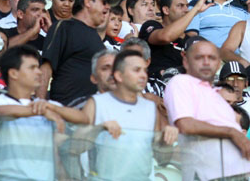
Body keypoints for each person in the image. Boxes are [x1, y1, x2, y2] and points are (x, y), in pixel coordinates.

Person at [164, 38, 250, 180]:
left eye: (211, 58)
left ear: (218, 63)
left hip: (244, 173)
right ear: (186, 62)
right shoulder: (181, 83)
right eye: (199, 57)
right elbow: (185, 124)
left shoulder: (218, 96)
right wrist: (231, 132)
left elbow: (240, 146)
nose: (206, 62)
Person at [0, 45, 86, 181]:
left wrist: (52, 109)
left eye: (38, 67)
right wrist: (41, 112)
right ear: (13, 73)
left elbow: (83, 118)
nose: (39, 72)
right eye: (32, 68)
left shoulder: (49, 106)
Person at [76, 50, 178, 179]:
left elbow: (162, 159)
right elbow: (75, 148)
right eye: (136, 70)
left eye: (144, 71)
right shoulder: (95, 103)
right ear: (119, 75)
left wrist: (166, 140)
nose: (143, 76)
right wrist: (98, 130)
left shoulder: (150, 107)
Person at [37, 0, 120, 105]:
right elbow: (46, 69)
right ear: (87, 1)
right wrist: (40, 106)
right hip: (66, 109)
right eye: (103, 2)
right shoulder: (63, 27)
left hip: (90, 112)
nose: (107, 7)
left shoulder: (96, 38)